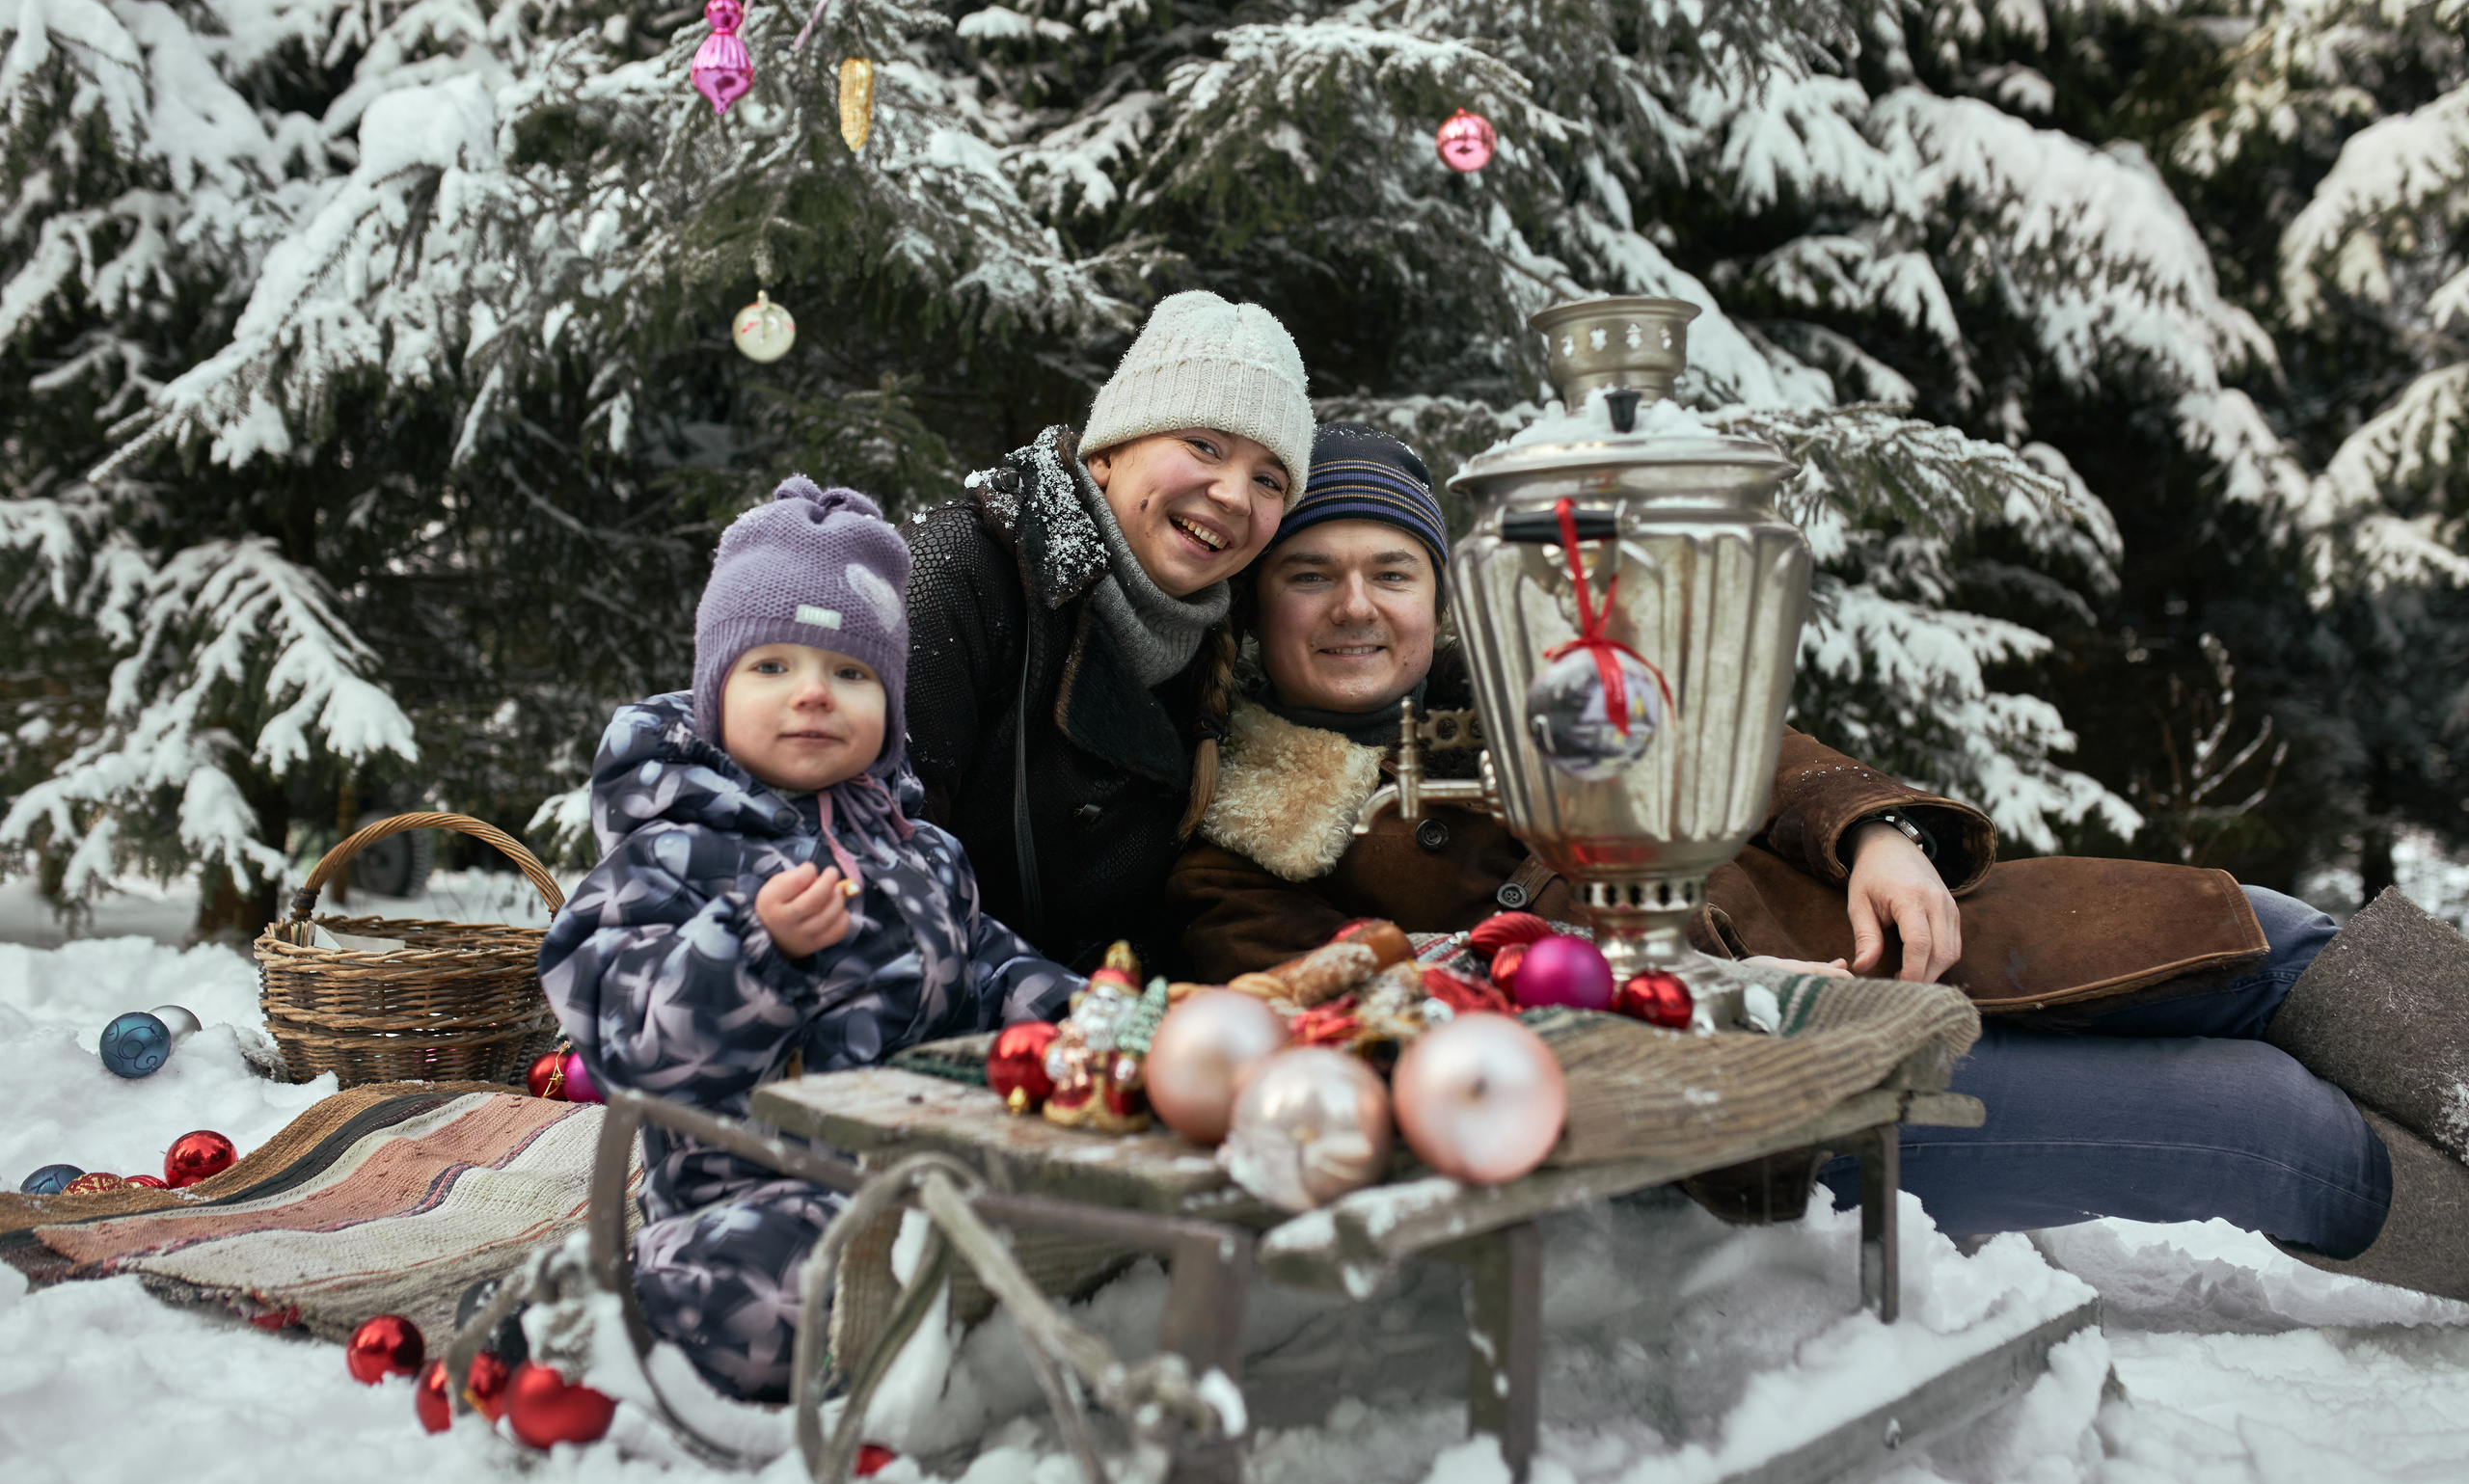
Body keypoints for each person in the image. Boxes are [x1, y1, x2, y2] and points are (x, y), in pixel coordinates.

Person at [1169, 426, 2469, 1301]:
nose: (1356, 605)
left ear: (1437, 596)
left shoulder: (1531, 682)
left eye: (1391, 569)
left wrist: (1874, 831)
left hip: (1871, 931)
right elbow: (1348, 1015)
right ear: (1256, 602)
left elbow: (1748, 738)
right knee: (2260, 1118)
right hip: (1764, 1091)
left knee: (2254, 927)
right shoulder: (1241, 836)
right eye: (1312, 575)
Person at [539, 478, 1080, 1400]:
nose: (814, 696)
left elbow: (982, 964)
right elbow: (634, 1043)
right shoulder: (670, 854)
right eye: (772, 667)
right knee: (789, 1287)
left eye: (852, 673)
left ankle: (935, 1321)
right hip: (750, 1188)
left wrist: (1076, 1013)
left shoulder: (919, 852)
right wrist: (754, 949)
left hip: (915, 1171)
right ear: (715, 692)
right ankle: (595, 1315)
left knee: (1051, 1236)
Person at [902, 290, 1313, 975]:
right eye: (1203, 444)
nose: (1235, 496)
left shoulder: (1225, 648)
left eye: (1268, 479)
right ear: (1106, 453)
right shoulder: (965, 572)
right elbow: (874, 855)